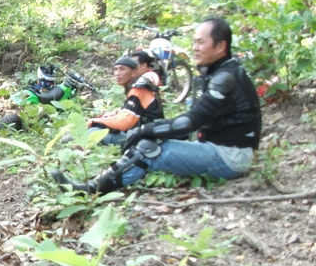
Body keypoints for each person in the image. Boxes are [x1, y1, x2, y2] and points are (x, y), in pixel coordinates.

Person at [52, 17, 261, 193]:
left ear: (221, 46)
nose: (195, 48)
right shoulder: (219, 74)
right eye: (194, 42)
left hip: (231, 157)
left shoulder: (225, 78)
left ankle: (90, 189)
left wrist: (145, 130)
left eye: (200, 43)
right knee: (150, 139)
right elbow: (194, 122)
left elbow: (190, 122)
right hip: (217, 148)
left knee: (147, 148)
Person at [87, 56, 163, 146]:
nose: (117, 73)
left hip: (147, 139)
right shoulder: (134, 87)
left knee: (93, 132)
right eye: (115, 69)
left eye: (122, 69)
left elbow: (124, 123)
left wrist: (95, 121)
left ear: (133, 72)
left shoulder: (138, 89)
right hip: (143, 133)